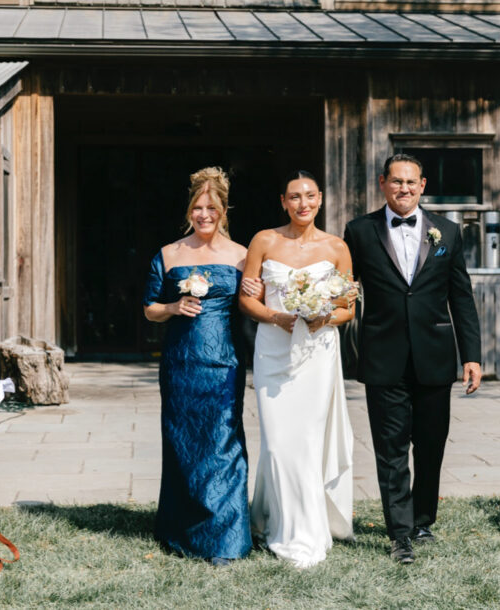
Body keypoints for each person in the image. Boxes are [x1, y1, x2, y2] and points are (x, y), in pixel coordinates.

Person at [343, 154, 482, 564]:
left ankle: (422, 522)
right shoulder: (359, 231)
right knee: (390, 449)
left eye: (411, 182)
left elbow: (462, 297)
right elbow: (343, 285)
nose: (404, 189)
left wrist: (471, 355)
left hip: (436, 357)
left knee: (431, 445)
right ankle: (399, 534)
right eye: (396, 181)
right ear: (382, 183)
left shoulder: (448, 232)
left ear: (422, 185)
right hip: (383, 356)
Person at [238, 170, 356, 568]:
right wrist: (274, 317)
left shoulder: (337, 247)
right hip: (274, 349)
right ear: (283, 202)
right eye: (294, 197)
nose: (302, 203)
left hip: (318, 354)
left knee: (306, 441)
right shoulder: (264, 240)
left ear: (320, 199)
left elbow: (348, 308)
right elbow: (246, 299)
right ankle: (277, 522)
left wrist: (325, 318)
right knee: (276, 442)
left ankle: (305, 532)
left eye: (309, 196)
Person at [142, 167, 251, 566]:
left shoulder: (241, 255)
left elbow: (253, 307)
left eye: (212, 207)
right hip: (180, 364)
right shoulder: (169, 254)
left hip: (223, 363)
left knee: (224, 443)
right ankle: (179, 528)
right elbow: (149, 309)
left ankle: (227, 537)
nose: (204, 214)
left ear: (224, 210)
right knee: (182, 443)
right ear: (190, 209)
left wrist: (255, 290)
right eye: (198, 207)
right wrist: (172, 306)